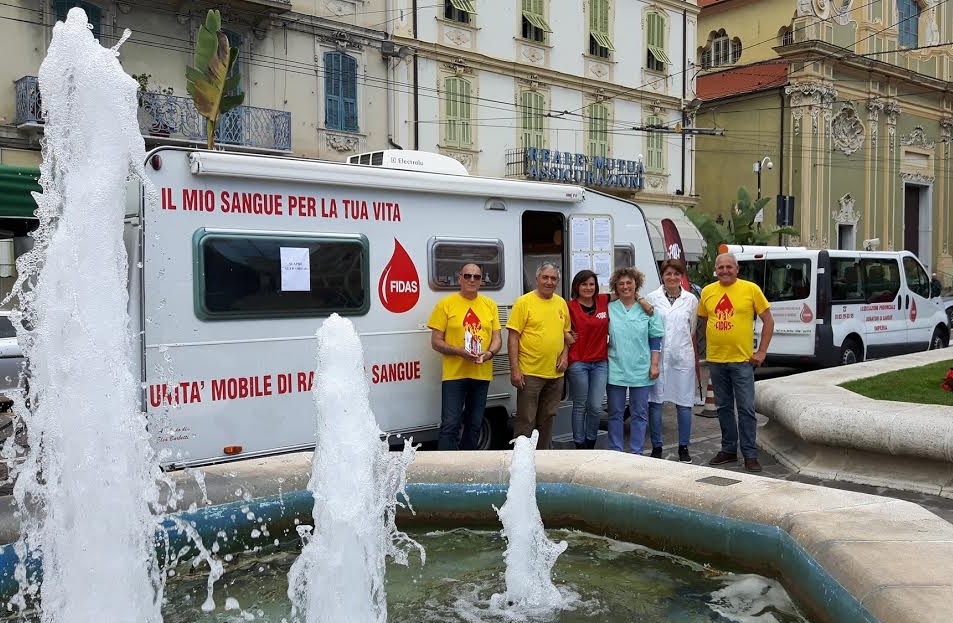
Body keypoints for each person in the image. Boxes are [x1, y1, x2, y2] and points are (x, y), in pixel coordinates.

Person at [698, 252, 775, 472]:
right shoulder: (708, 292)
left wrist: (761, 351)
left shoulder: (751, 289)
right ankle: (729, 450)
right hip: (716, 360)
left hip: (742, 361)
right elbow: (704, 321)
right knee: (723, 408)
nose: (724, 271)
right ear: (716, 269)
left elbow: (768, 320)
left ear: (737, 268)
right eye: (720, 267)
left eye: (728, 267)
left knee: (746, 409)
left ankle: (750, 454)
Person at [427, 263, 502, 450]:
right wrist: (459, 351)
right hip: (454, 375)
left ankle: (468, 469)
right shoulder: (446, 304)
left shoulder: (490, 305)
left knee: (474, 425)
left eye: (476, 277)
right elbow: (435, 341)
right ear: (459, 278)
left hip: (481, 373)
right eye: (467, 275)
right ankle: (446, 472)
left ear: (481, 281)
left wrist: (490, 353)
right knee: (450, 425)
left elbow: (497, 339)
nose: (472, 280)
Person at [507, 262, 571, 450]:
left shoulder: (561, 303)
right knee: (526, 420)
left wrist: (565, 357)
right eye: (545, 277)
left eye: (553, 278)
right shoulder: (524, 302)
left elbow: (567, 335)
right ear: (537, 279)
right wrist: (515, 369)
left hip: (555, 374)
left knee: (548, 419)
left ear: (557, 281)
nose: (549, 282)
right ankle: (521, 459)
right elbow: (513, 337)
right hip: (530, 373)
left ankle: (542, 459)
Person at [606, 267, 664, 454]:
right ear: (615, 286)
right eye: (621, 283)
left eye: (629, 283)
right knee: (615, 414)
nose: (625, 287)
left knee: (639, 413)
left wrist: (654, 364)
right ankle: (616, 451)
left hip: (641, 367)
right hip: (616, 367)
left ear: (636, 285)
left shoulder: (648, 310)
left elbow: (655, 339)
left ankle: (636, 452)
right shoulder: (609, 308)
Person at [646, 259, 698, 463]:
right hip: (658, 358)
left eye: (676, 274)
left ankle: (683, 447)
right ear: (662, 276)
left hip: (681, 358)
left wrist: (679, 346)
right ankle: (657, 447)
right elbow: (650, 328)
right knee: (655, 403)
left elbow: (691, 328)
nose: (672, 277)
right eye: (668, 274)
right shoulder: (652, 298)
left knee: (684, 404)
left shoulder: (691, 300)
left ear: (681, 276)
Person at [565, 271, 609, 449]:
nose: (588, 288)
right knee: (580, 405)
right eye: (584, 284)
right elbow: (558, 324)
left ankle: (590, 442)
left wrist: (642, 301)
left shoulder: (604, 301)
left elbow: (627, 291)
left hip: (600, 362)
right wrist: (566, 334)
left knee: (596, 406)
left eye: (591, 284)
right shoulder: (569, 306)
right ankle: (579, 445)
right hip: (578, 362)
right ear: (577, 286)